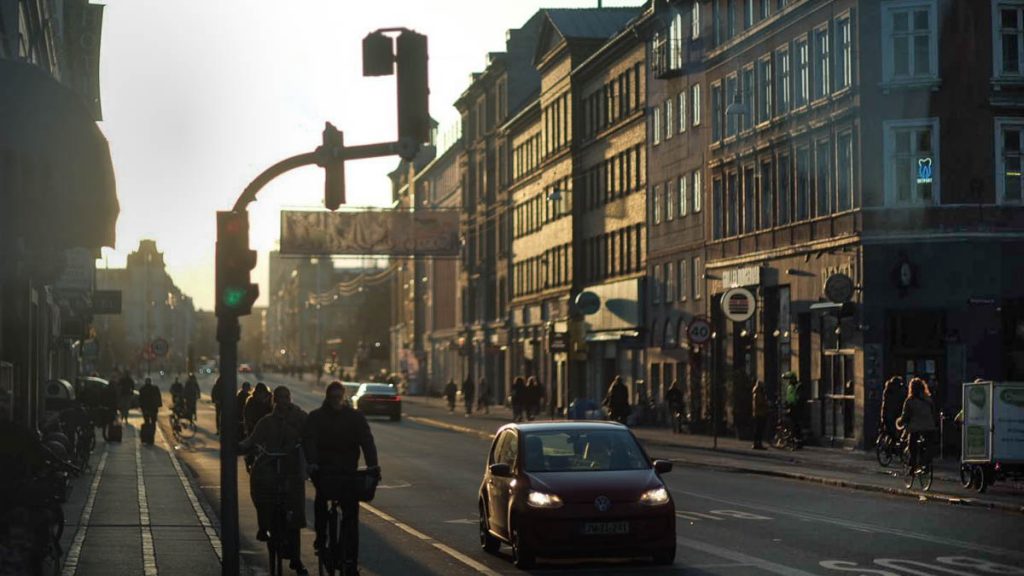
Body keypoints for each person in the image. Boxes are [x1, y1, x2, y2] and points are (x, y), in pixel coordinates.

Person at [303, 382, 379, 576]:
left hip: (346, 473)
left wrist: (373, 466)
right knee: (322, 500)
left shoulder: (354, 418)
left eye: (339, 397)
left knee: (351, 517)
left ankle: (350, 559)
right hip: (326, 471)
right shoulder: (317, 418)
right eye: (334, 397)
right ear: (328, 398)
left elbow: (367, 441)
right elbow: (309, 440)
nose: (337, 401)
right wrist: (312, 463)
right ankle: (321, 538)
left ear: (343, 397)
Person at [240, 386, 309, 575]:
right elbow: (252, 439)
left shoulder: (300, 418)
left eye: (286, 397)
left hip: (292, 468)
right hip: (269, 465)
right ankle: (264, 525)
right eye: (279, 398)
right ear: (274, 400)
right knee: (259, 487)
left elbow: (311, 436)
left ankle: (295, 558)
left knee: (295, 512)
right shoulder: (267, 422)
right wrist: (239, 447)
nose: (283, 401)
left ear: (290, 398)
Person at [897, 377, 938, 470]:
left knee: (912, 445)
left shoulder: (910, 401)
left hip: (916, 428)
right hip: (929, 428)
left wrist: (900, 422)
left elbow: (905, 416)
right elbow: (933, 413)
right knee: (928, 444)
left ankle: (912, 465)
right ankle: (926, 462)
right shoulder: (928, 400)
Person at [880, 376, 905, 447]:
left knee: (890, 431)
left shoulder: (887, 390)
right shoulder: (899, 392)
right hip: (894, 414)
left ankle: (890, 445)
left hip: (886, 414)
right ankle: (893, 446)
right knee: (894, 432)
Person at [781, 371, 803, 445]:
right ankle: (792, 437)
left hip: (794, 406)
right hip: (791, 405)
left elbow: (796, 397)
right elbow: (789, 397)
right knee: (791, 422)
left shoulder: (796, 386)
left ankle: (796, 437)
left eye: (789, 379)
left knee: (794, 422)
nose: (788, 381)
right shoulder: (790, 387)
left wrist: (791, 403)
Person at [751, 380, 769, 449]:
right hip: (759, 413)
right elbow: (759, 403)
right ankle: (757, 443)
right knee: (759, 429)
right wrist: (765, 404)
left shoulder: (759, 393)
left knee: (759, 429)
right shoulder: (758, 394)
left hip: (760, 413)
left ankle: (758, 443)